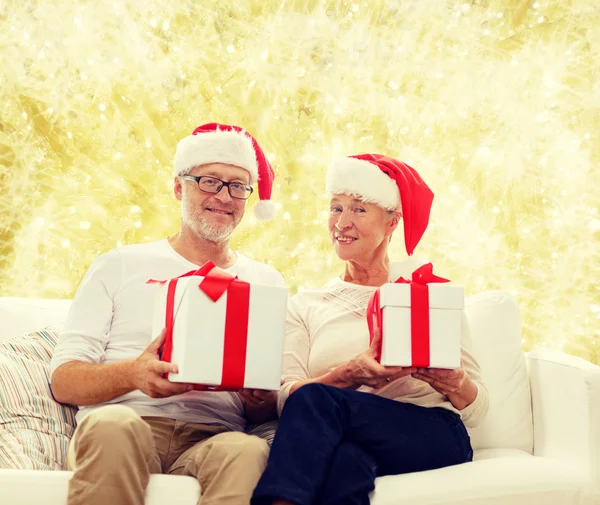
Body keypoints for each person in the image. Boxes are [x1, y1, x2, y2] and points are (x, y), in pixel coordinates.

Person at [50, 122, 284, 505]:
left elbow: (261, 409)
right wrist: (133, 374)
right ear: (179, 187)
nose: (224, 196)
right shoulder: (120, 264)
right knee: (112, 425)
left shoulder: (266, 281)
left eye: (238, 186)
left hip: (212, 436)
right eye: (209, 181)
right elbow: (64, 382)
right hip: (127, 423)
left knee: (248, 452)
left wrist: (257, 395)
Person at [251, 153, 489, 505]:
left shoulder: (425, 292)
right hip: (347, 436)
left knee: (317, 400)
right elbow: (287, 400)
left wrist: (456, 382)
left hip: (431, 433)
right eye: (336, 208)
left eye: (359, 209)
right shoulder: (306, 304)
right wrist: (348, 374)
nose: (341, 222)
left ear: (392, 222)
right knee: (345, 463)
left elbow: (478, 408)